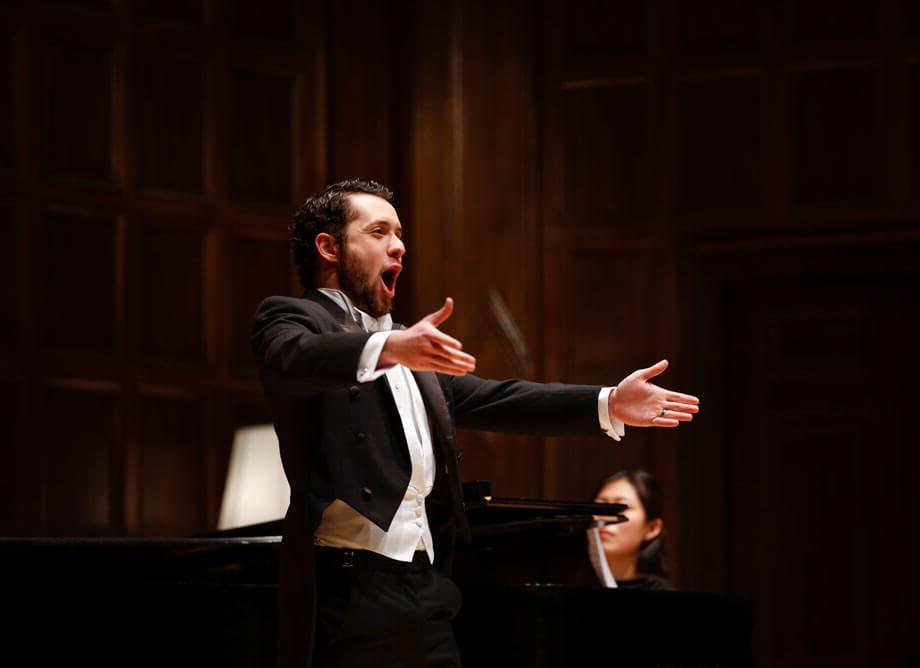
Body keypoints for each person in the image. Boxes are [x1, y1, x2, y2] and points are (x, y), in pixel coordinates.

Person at [251, 179, 700, 667]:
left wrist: (608, 402)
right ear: (329, 247)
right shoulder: (292, 319)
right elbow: (293, 358)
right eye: (378, 231)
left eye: (399, 234)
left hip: (427, 587)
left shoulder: (407, 346)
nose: (398, 245)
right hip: (346, 591)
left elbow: (499, 398)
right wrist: (384, 349)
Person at [592, 469, 674, 590]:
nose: (606, 516)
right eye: (601, 505)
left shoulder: (663, 597)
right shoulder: (566, 585)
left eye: (622, 507)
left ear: (652, 528)